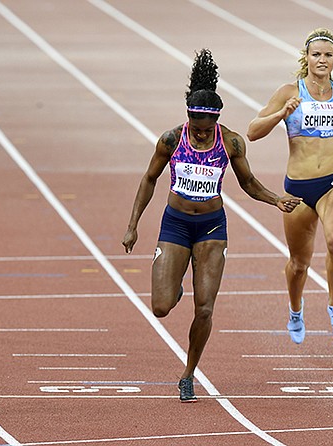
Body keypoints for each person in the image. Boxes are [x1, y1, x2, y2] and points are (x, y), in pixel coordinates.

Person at [122, 49, 300, 402]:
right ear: (188, 118)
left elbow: (248, 183)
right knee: (160, 307)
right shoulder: (171, 140)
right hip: (174, 225)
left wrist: (274, 199)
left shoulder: (231, 142)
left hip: (211, 229)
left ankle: (188, 373)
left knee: (205, 308)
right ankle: (174, 288)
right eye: (197, 130)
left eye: (207, 131)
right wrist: (133, 225)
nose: (202, 136)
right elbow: (149, 179)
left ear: (215, 122)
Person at [247, 28, 333, 344]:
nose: (322, 60)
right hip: (298, 189)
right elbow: (252, 132)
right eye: (316, 54)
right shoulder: (290, 91)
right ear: (307, 57)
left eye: (328, 55)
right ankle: (295, 310)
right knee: (299, 265)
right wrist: (281, 113)